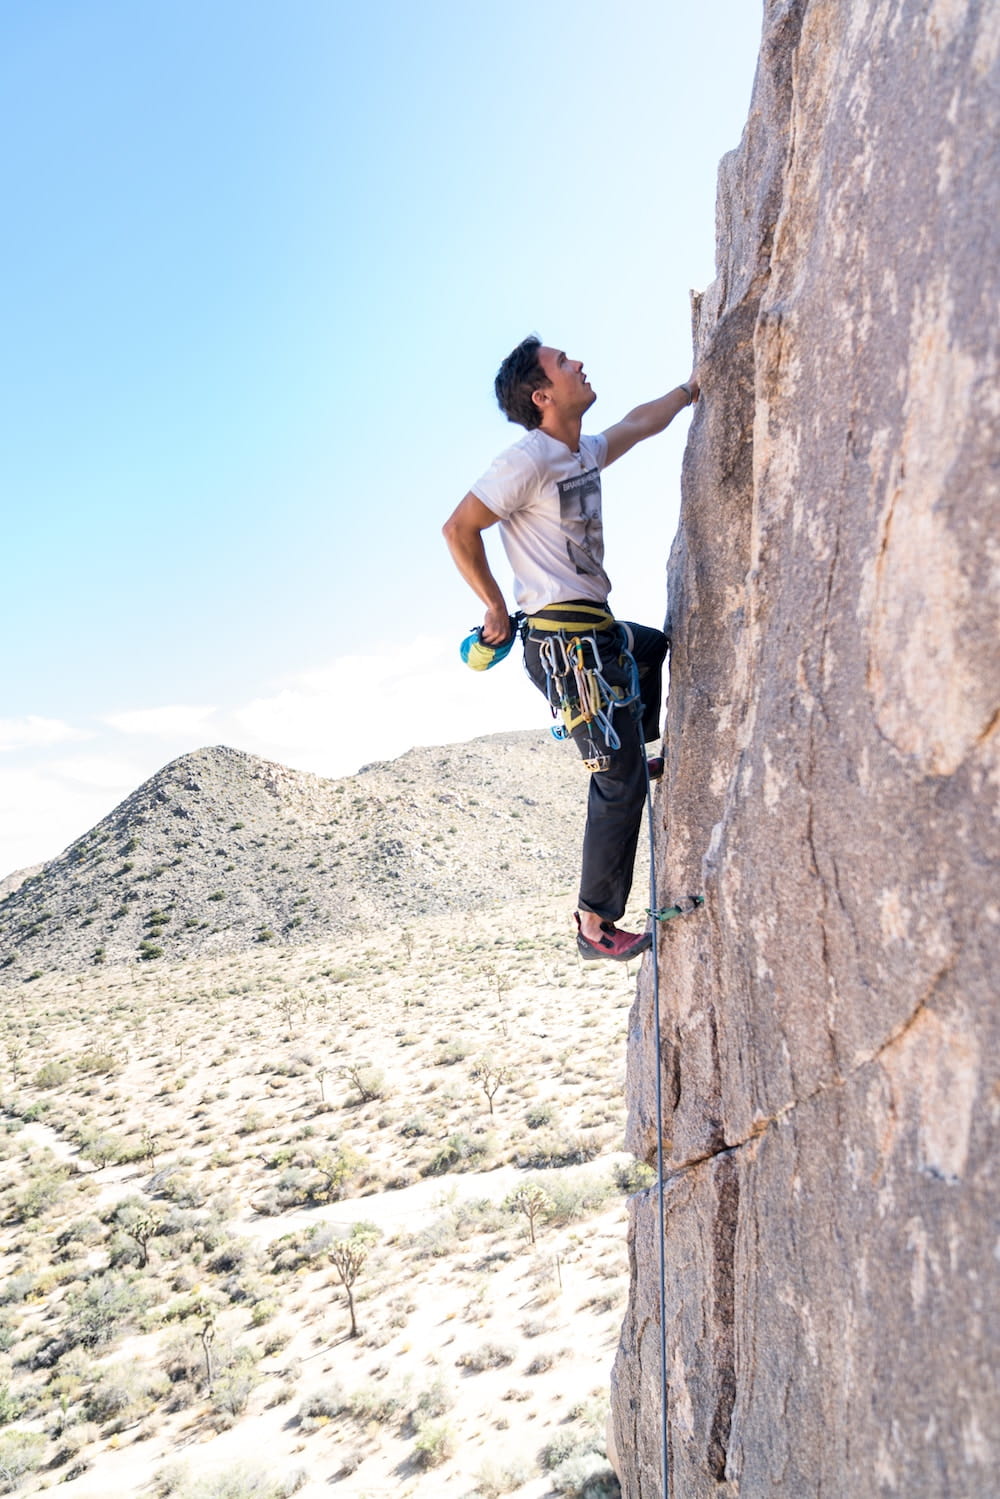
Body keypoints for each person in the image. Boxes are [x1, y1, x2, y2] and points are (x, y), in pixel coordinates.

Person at [442, 337, 699, 961]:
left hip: (595, 632)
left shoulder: (579, 451)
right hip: (565, 646)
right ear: (542, 396)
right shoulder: (526, 459)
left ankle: (636, 754)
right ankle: (594, 923)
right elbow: (459, 528)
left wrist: (692, 389)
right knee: (616, 782)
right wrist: (495, 606)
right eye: (563, 363)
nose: (578, 363)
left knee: (649, 647)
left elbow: (637, 424)